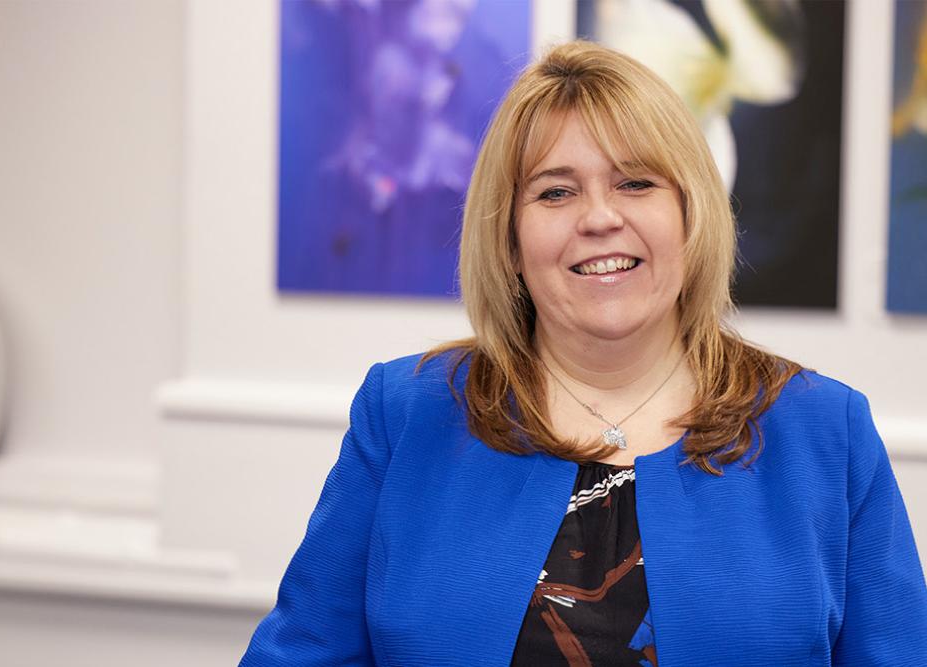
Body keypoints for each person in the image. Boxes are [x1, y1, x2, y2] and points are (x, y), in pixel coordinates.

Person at [239, 40, 927, 666]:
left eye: (636, 182)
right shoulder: (405, 415)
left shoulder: (825, 432)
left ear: (691, 215)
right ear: (509, 240)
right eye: (556, 191)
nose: (599, 217)